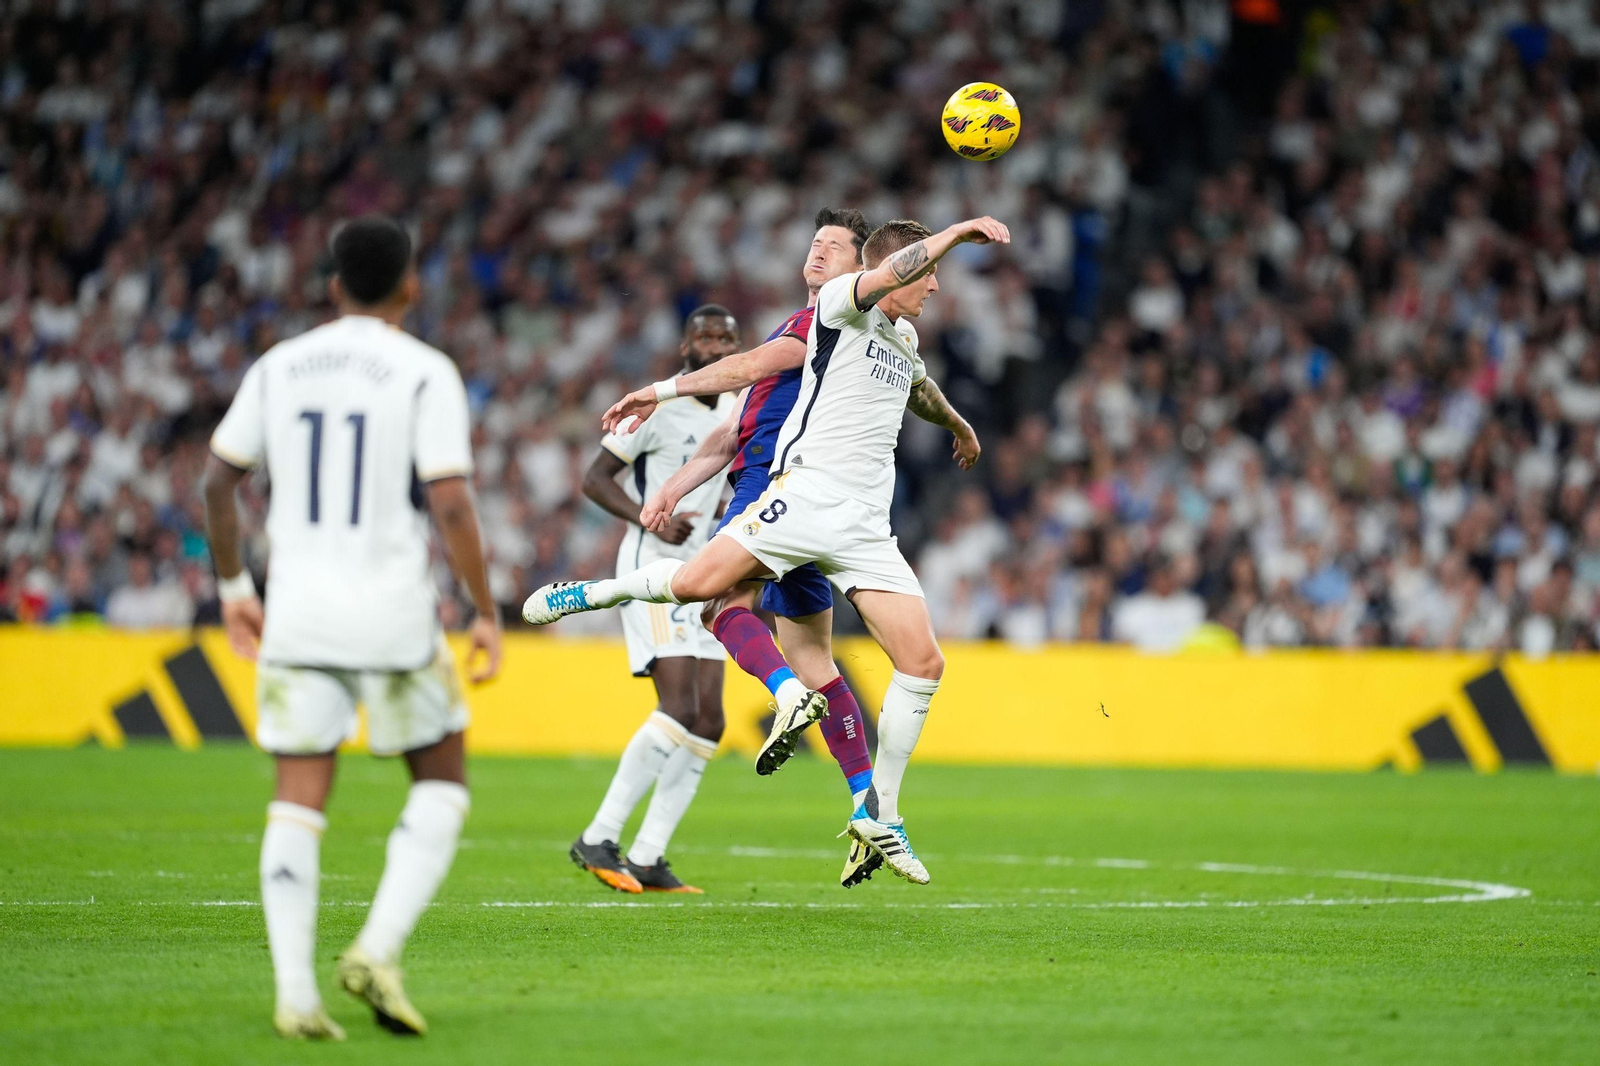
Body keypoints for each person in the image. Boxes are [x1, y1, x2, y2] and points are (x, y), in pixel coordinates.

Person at [525, 216, 1005, 884]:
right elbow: (749, 368)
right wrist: (659, 391)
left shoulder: (904, 335)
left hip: (866, 524)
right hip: (803, 500)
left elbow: (917, 385)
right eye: (928, 274)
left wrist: (957, 422)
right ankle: (591, 594)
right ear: (898, 268)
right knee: (700, 589)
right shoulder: (839, 307)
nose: (934, 288)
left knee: (923, 662)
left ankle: (881, 816)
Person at [203, 216, 501, 1041]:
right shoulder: (424, 371)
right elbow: (448, 500)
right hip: (393, 612)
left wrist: (234, 587)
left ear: (333, 286)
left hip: (296, 611)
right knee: (441, 776)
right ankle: (377, 947)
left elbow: (217, 482)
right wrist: (483, 608)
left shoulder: (279, 366)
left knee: (298, 796)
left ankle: (297, 994)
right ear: (411, 285)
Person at [567, 305, 740, 895]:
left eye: (726, 339)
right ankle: (598, 836)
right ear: (685, 346)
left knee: (711, 719)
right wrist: (648, 517)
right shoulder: (660, 409)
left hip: (705, 573)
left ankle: (647, 855)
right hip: (651, 570)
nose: (715, 347)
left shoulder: (742, 408)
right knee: (680, 707)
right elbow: (594, 478)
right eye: (705, 337)